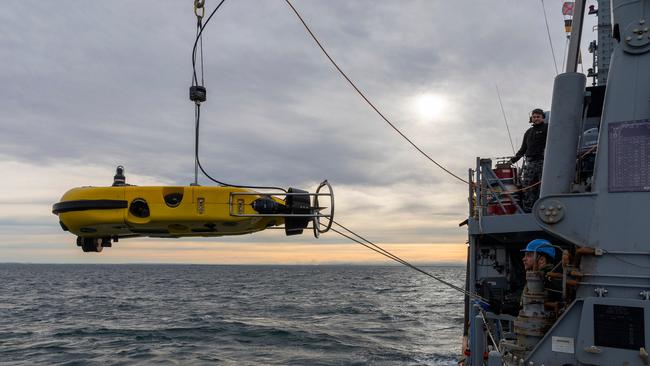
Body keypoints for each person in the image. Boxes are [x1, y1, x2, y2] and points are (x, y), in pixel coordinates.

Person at [510, 108, 548, 212]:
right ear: (531, 118)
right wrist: (512, 160)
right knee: (526, 186)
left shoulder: (548, 128)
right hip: (530, 163)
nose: (536, 119)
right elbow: (523, 149)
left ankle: (542, 208)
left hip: (544, 162)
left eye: (538, 117)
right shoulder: (528, 132)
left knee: (543, 186)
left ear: (542, 117)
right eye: (534, 117)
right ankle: (528, 209)